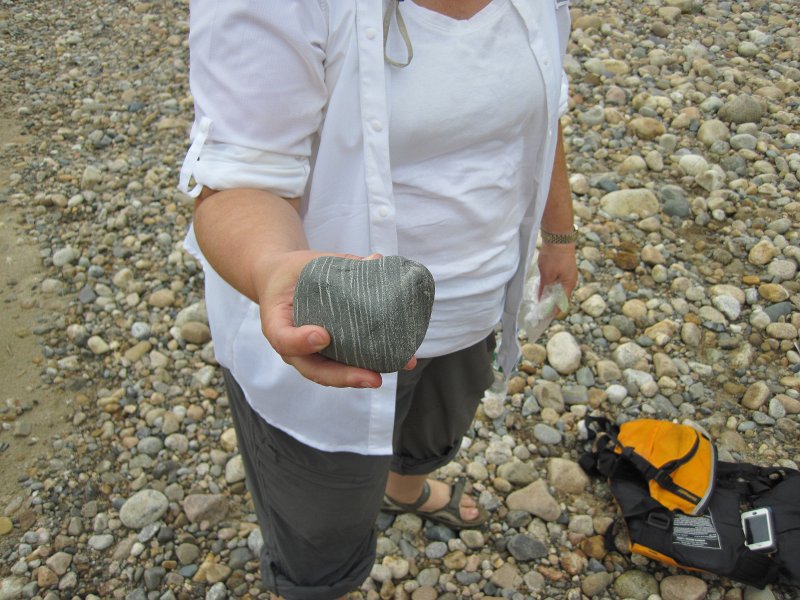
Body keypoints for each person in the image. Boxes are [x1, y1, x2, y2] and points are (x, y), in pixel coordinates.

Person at [178, 1, 577, 598]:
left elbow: (544, 113)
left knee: (429, 431)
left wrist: (559, 236)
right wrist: (272, 269)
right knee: (320, 525)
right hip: (338, 333)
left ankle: (404, 490)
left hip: (474, 302)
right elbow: (239, 176)